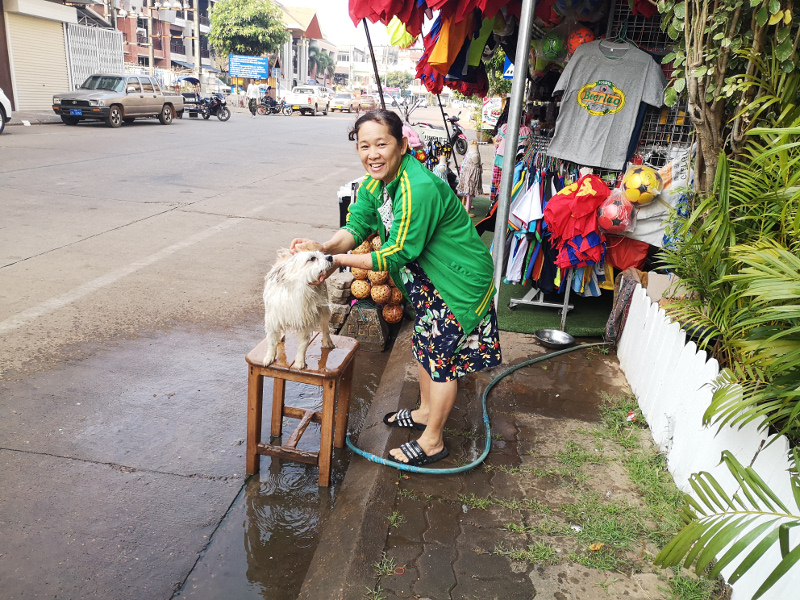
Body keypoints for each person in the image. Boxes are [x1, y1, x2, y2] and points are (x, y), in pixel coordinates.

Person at [291, 110, 502, 467]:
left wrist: (338, 263)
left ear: (402, 145)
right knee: (424, 346)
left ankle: (433, 441)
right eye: (364, 145)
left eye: (381, 143)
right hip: (427, 280)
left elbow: (397, 252)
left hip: (458, 282)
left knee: (442, 362)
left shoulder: (416, 187)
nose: (372, 153)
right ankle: (423, 411)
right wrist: (325, 249)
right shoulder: (375, 185)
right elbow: (356, 226)